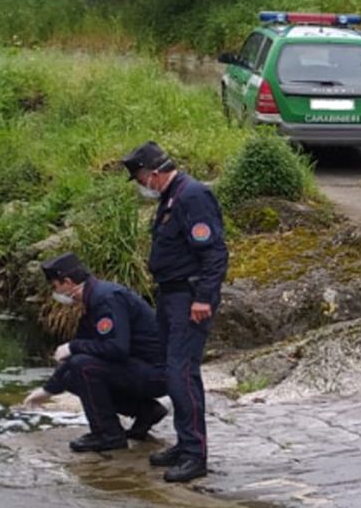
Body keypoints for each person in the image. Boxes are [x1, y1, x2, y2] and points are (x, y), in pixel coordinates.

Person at [121, 141, 229, 482]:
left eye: (140, 177)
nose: (141, 185)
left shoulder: (192, 196)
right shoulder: (171, 197)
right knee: (173, 373)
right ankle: (185, 444)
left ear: (153, 173)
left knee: (182, 375)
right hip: (170, 296)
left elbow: (214, 253)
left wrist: (204, 298)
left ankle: (195, 454)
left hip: (188, 297)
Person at [22, 252, 168, 452]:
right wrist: (46, 391)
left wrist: (73, 347)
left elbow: (117, 348)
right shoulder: (93, 302)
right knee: (73, 372)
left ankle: (108, 434)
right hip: (140, 369)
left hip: (157, 373)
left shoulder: (106, 299)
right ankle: (146, 411)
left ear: (68, 282)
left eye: (55, 287)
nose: (55, 294)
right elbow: (75, 359)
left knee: (83, 366)